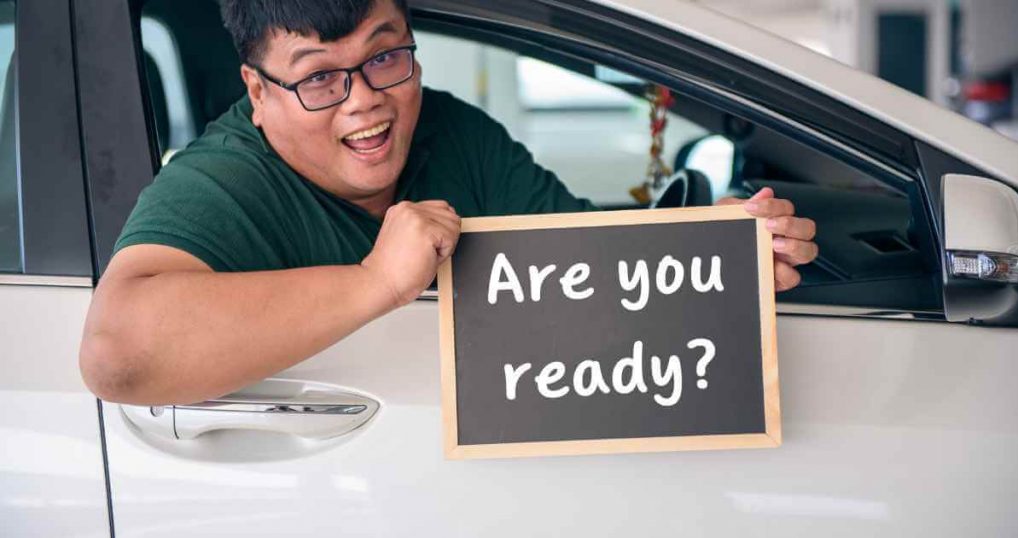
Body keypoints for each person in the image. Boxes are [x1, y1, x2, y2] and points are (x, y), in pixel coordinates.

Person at [79, 0, 818, 406]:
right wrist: (376, 283)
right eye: (319, 79)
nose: (366, 102)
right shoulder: (226, 179)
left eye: (384, 56)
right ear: (258, 94)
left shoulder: (453, 132)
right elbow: (115, 357)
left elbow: (591, 261)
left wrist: (721, 253)